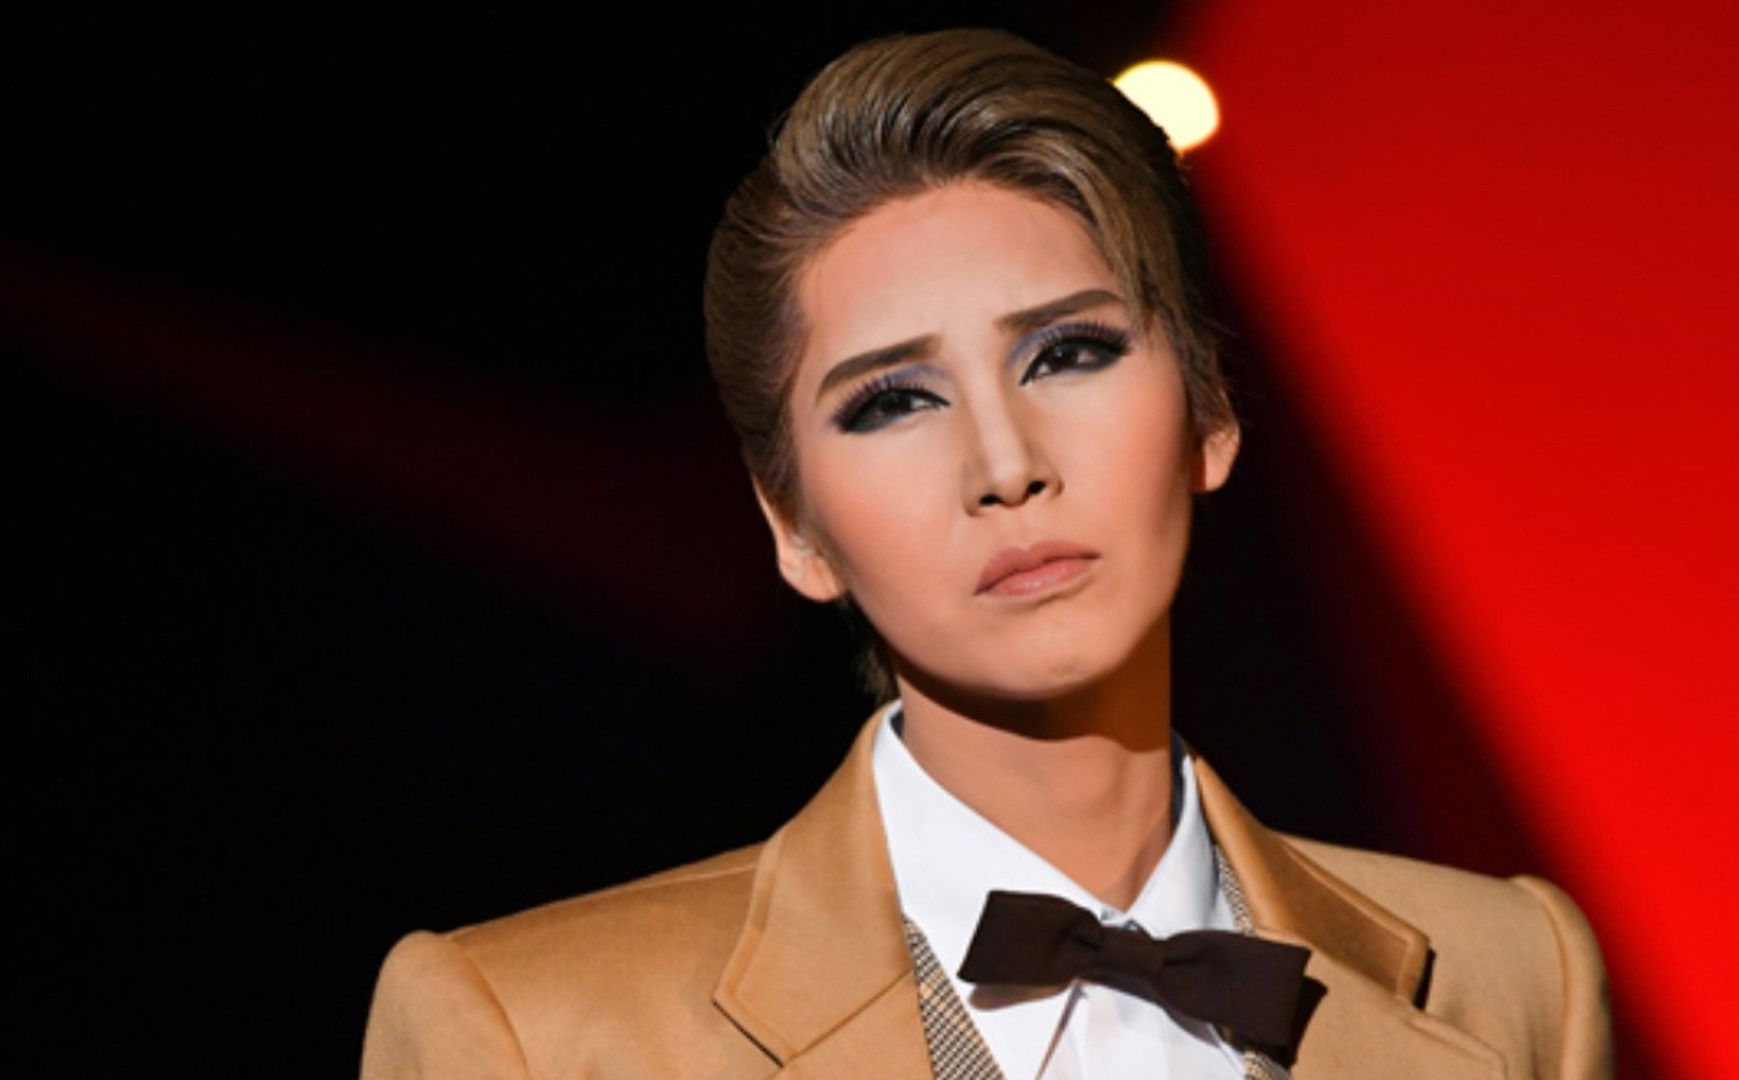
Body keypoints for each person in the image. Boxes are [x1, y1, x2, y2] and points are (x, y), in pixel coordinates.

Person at [360, 28, 1611, 1080]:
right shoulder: (539, 1034)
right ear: (793, 527)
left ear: (1211, 414)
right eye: (892, 402)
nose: (1005, 465)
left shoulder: (1507, 978)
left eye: (1069, 353)